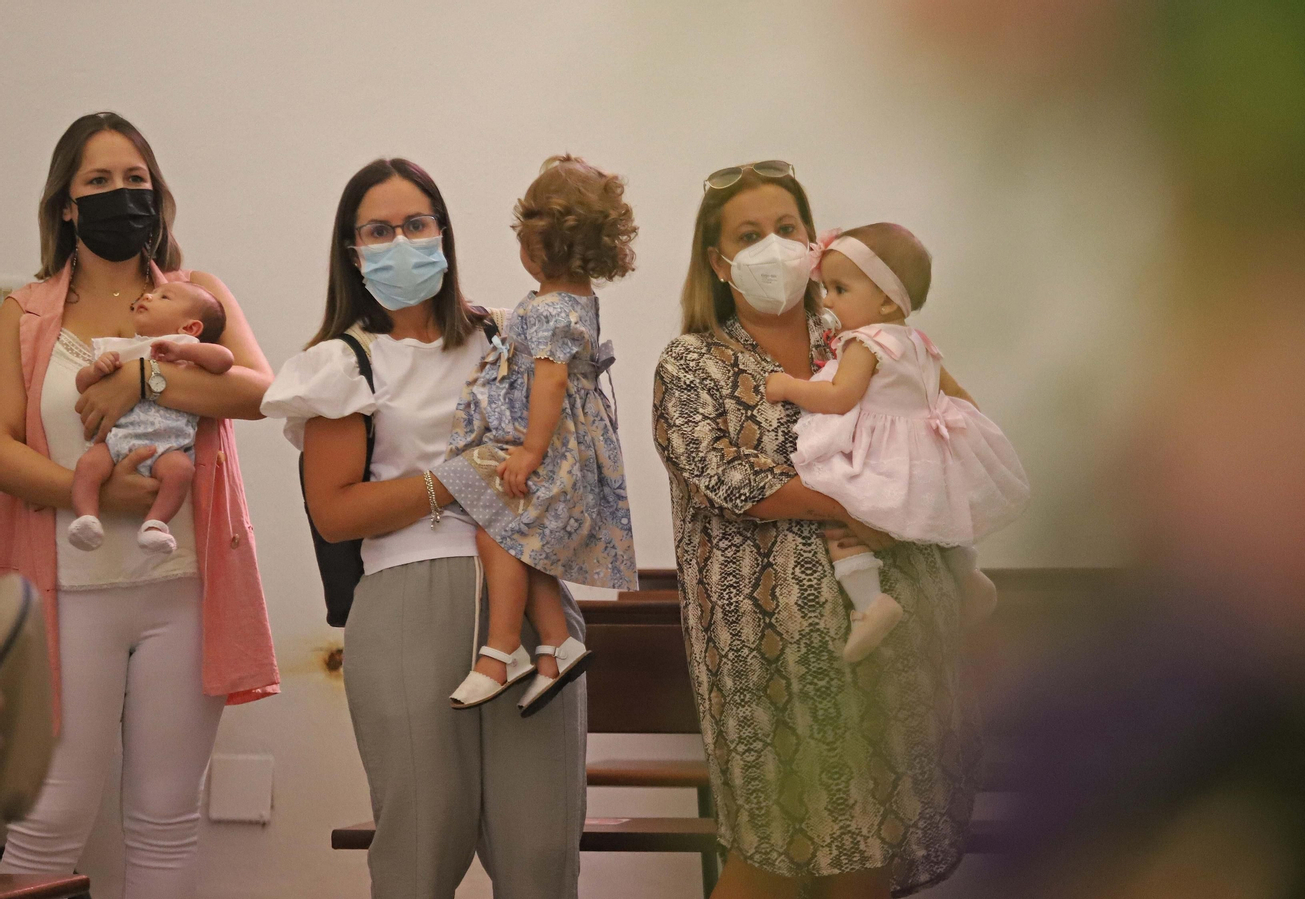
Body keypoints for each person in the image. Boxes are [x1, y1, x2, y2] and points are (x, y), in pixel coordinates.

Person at [652, 160, 981, 899]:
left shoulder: (870, 343)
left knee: (866, 857)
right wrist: (853, 508)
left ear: (812, 238)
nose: (774, 245)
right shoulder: (694, 362)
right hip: (768, 662)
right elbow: (726, 476)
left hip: (892, 643)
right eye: (749, 234)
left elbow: (945, 429)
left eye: (786, 228)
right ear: (717, 260)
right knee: (769, 862)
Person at [260, 157, 586, 899]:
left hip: (530, 593)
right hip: (408, 598)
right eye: (379, 230)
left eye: (416, 223)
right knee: (419, 843)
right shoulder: (344, 361)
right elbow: (335, 509)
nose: (401, 240)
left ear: (443, 231)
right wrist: (459, 477)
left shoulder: (508, 334)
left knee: (541, 845)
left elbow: (573, 445)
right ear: (352, 250)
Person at [0, 111, 278, 899]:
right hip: (65, 596)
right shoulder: (20, 311)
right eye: (98, 182)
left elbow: (262, 394)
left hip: (185, 591)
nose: (121, 195)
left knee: (165, 819)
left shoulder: (199, 297)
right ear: (65, 203)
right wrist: (97, 495)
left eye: (135, 181)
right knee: (46, 820)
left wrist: (148, 378)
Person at [765, 223, 1029, 661]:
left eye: (839, 289)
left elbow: (839, 397)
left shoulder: (864, 343)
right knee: (940, 512)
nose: (827, 300)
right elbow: (959, 395)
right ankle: (969, 575)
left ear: (886, 299)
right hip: (925, 451)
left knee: (838, 507)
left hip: (881, 453)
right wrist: (964, 434)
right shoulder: (921, 343)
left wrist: (786, 387)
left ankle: (870, 602)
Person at [436, 155, 638, 714]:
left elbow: (548, 381)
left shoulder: (552, 309)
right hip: (569, 443)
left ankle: (501, 651)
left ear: (538, 245)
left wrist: (530, 450)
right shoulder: (574, 300)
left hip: (550, 448)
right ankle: (559, 645)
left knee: (496, 532)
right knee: (525, 545)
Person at [69, 281, 234, 555]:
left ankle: (155, 524)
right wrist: (97, 370)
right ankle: (87, 518)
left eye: (164, 297)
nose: (147, 295)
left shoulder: (188, 348)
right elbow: (82, 384)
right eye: (150, 293)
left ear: (190, 328)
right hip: (116, 441)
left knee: (181, 471)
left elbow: (225, 361)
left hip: (168, 447)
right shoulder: (121, 347)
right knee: (88, 465)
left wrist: (183, 351)